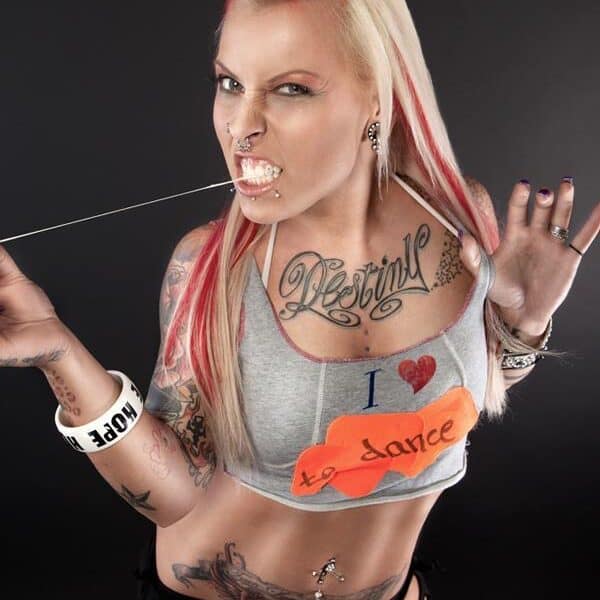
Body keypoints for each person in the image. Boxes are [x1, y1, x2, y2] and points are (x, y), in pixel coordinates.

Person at [1, 1, 598, 598]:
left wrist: (523, 322)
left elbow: (469, 394)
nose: (240, 126)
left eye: (290, 89)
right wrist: (59, 354)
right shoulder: (209, 266)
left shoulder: (458, 221)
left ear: (378, 97)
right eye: (230, 83)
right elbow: (173, 496)